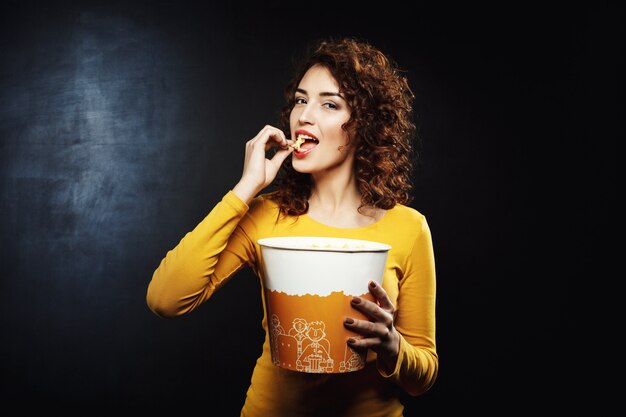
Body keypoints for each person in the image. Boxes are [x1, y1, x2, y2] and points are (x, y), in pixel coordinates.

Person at [146, 37, 438, 417]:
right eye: (301, 100)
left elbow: (424, 375)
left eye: (329, 104)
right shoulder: (266, 216)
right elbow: (165, 299)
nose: (304, 116)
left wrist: (392, 346)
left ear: (364, 126)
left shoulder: (409, 228)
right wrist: (246, 189)